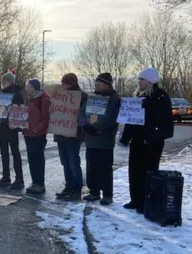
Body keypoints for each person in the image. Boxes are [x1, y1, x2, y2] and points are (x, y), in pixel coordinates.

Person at [119, 68, 173, 214]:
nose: (139, 82)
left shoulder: (160, 97)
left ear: (149, 81)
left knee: (148, 173)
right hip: (137, 141)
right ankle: (136, 200)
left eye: (141, 79)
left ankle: (146, 202)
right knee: (134, 171)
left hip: (151, 143)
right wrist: (125, 138)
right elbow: (130, 121)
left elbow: (164, 122)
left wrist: (152, 135)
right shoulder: (137, 97)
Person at [79, 73, 121, 205]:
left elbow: (110, 117)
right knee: (92, 167)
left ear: (107, 84)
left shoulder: (114, 98)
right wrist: (85, 124)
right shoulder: (93, 97)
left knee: (105, 168)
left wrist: (95, 127)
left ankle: (107, 194)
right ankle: (94, 191)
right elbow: (81, 112)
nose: (96, 84)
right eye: (96, 82)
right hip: (91, 139)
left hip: (105, 139)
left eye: (99, 82)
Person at [55, 73, 88, 201]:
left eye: (64, 83)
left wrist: (81, 126)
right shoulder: (60, 96)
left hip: (74, 135)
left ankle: (77, 188)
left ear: (71, 84)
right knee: (65, 163)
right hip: (60, 134)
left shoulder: (82, 96)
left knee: (73, 162)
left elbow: (86, 117)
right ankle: (69, 186)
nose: (62, 85)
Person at [0, 70, 25, 189]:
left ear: (10, 81)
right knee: (4, 153)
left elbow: (18, 112)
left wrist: (5, 119)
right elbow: (0, 109)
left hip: (11, 128)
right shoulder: (2, 93)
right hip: (2, 128)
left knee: (15, 153)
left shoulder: (16, 94)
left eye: (3, 80)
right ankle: (6, 177)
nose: (2, 82)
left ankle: (19, 179)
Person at [23, 79, 51, 194]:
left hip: (38, 135)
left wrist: (36, 129)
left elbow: (46, 118)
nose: (26, 88)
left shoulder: (43, 99)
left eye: (28, 86)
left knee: (38, 159)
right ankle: (34, 182)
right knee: (32, 159)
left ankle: (40, 184)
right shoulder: (30, 99)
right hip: (28, 133)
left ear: (34, 87)